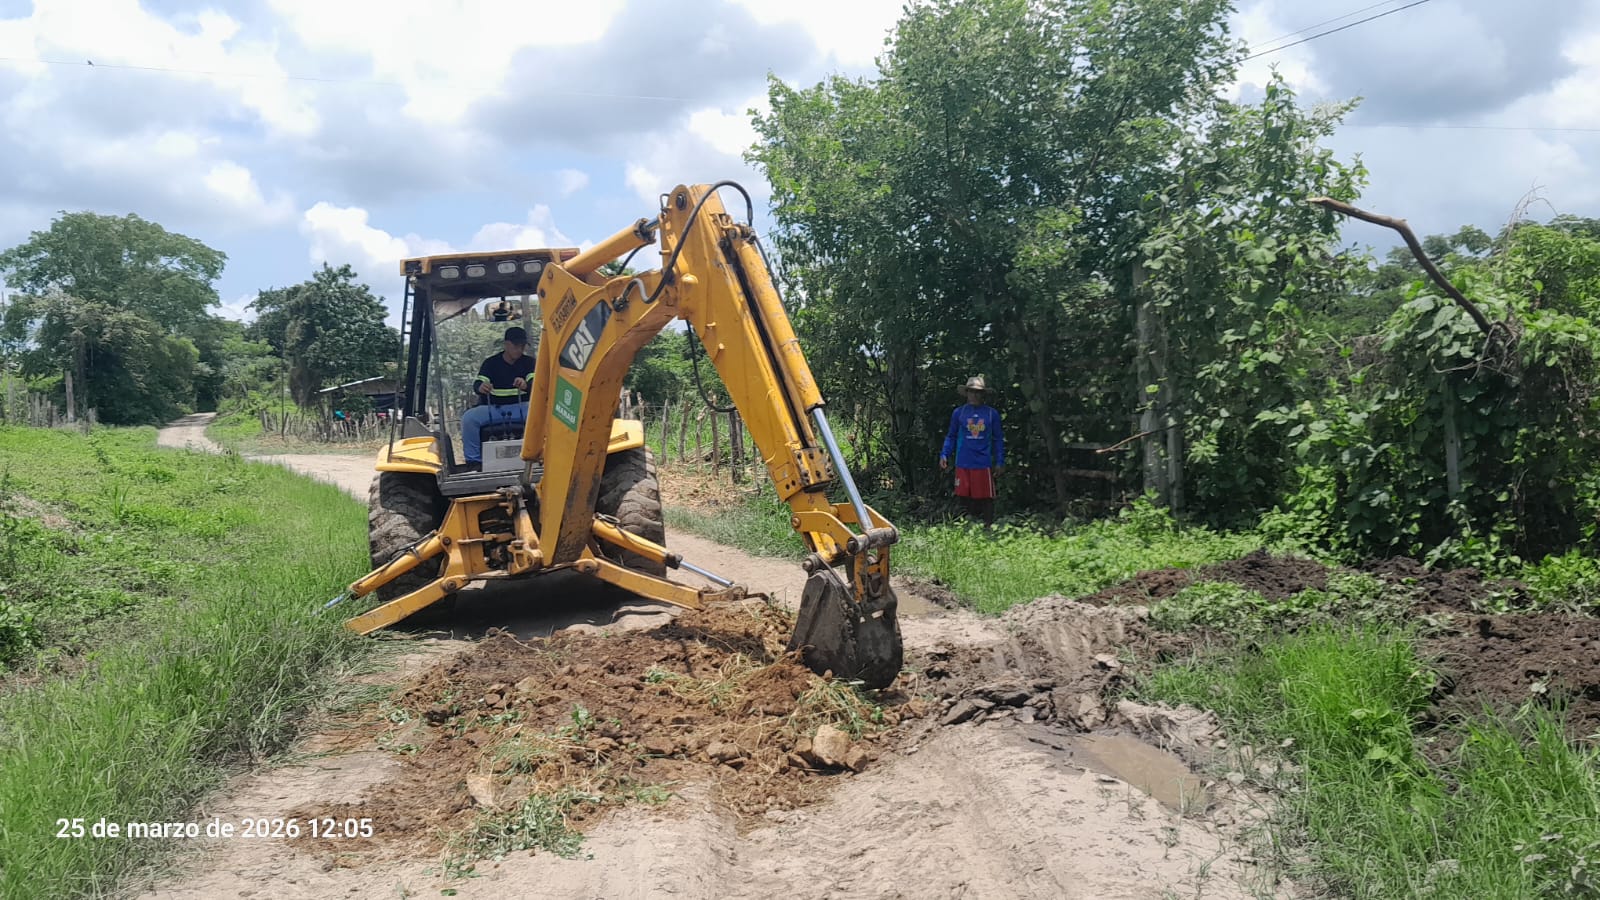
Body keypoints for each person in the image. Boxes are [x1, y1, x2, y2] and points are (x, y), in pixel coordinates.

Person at [460, 326, 535, 470]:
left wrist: (526, 385)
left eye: (522, 346)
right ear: (506, 345)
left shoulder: (529, 362)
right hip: (493, 409)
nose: (519, 350)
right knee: (468, 418)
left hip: (523, 408)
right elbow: (478, 383)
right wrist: (481, 387)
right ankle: (474, 463)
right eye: (516, 346)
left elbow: (536, 383)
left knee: (545, 414)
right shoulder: (491, 363)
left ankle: (542, 454)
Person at [939, 375, 1005, 526]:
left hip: (983, 462)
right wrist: (944, 454)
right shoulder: (959, 413)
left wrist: (1000, 461)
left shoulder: (991, 414)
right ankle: (966, 526)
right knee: (963, 496)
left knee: (986, 497)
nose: (974, 395)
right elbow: (951, 435)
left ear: (983, 394)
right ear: (967, 393)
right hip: (963, 461)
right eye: (971, 391)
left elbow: (998, 439)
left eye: (978, 392)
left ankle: (987, 526)